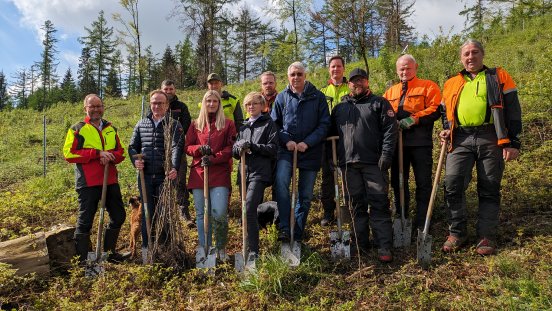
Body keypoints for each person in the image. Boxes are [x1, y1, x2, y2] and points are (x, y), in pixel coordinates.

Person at [439, 39, 522, 256]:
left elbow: (513, 110)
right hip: (460, 140)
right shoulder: (451, 83)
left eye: (474, 52)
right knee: (452, 183)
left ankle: (486, 236)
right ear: (461, 58)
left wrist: (513, 142)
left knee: (489, 186)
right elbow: (444, 112)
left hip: (490, 137)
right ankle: (457, 233)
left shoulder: (498, 76)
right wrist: (446, 129)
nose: (470, 57)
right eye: (466, 53)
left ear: (482, 55)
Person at [330, 68, 398, 262]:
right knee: (355, 206)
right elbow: (331, 135)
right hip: (348, 165)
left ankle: (383, 245)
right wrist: (331, 160)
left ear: (367, 82)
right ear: (348, 84)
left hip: (374, 164)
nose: (356, 84)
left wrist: (386, 155)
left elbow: (390, 131)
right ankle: (360, 244)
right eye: (353, 81)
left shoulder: (379, 103)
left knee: (378, 203)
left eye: (360, 80)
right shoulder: (340, 108)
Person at [271, 61, 330, 244]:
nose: (296, 77)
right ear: (288, 77)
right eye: (293, 74)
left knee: (304, 195)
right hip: (286, 151)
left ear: (305, 76)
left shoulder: (318, 97)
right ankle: (284, 227)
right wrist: (286, 140)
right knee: (281, 184)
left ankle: (296, 232)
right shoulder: (281, 98)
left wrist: (308, 142)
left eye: (299, 74)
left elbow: (324, 124)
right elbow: (275, 124)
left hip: (310, 151)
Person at [63, 94, 126, 263]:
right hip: (88, 182)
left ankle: (109, 253)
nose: (96, 109)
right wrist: (97, 154)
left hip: (110, 180)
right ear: (86, 108)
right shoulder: (77, 128)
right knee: (85, 222)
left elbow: (121, 152)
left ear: (103, 107)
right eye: (92, 106)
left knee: (119, 216)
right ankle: (83, 261)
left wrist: (110, 156)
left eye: (99, 106)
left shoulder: (111, 128)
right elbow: (69, 154)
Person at [383, 54, 442, 231]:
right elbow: (382, 114)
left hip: (420, 144)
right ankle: (401, 216)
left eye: (408, 67)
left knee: (423, 182)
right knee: (398, 181)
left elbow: (436, 108)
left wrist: (415, 119)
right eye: (401, 68)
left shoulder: (428, 86)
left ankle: (423, 219)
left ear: (415, 67)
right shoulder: (390, 92)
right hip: (397, 144)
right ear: (397, 70)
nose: (405, 71)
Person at [128, 90, 184, 262]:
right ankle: (147, 250)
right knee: (146, 214)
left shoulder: (174, 125)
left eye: (160, 103)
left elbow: (176, 147)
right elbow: (132, 147)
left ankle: (164, 249)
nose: (157, 106)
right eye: (154, 103)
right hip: (145, 177)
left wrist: (173, 167)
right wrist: (135, 161)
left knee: (163, 214)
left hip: (164, 177)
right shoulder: (141, 124)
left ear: (167, 105)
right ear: (150, 104)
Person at [186, 90, 237, 261]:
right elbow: (187, 146)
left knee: (219, 212)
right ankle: (204, 246)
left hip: (219, 173)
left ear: (219, 104)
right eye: (208, 101)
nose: (211, 104)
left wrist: (214, 158)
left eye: (215, 101)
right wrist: (199, 150)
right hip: (199, 173)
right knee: (201, 214)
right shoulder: (195, 124)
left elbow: (231, 148)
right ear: (204, 103)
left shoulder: (228, 124)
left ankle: (221, 247)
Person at [232, 92, 278, 255]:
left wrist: (253, 146)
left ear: (262, 106)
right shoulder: (243, 127)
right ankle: (248, 244)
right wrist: (237, 149)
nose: (251, 107)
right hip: (243, 174)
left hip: (259, 173)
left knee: (249, 207)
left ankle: (253, 250)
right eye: (248, 104)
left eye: (254, 104)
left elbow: (273, 149)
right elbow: (235, 153)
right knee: (246, 210)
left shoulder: (268, 124)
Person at [319, 55, 350, 226]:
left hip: (348, 139)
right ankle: (328, 211)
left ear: (343, 68)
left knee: (348, 175)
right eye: (333, 66)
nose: (336, 69)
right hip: (327, 140)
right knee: (327, 177)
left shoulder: (350, 89)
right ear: (329, 69)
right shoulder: (323, 92)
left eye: (339, 66)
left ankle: (349, 209)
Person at [161, 79, 194, 228]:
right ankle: (165, 211)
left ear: (175, 90)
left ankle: (183, 210)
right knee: (162, 180)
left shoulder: (181, 107)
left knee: (180, 180)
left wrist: (175, 136)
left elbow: (186, 125)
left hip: (178, 148)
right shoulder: (156, 105)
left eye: (171, 89)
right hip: (160, 150)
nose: (168, 91)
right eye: (166, 89)